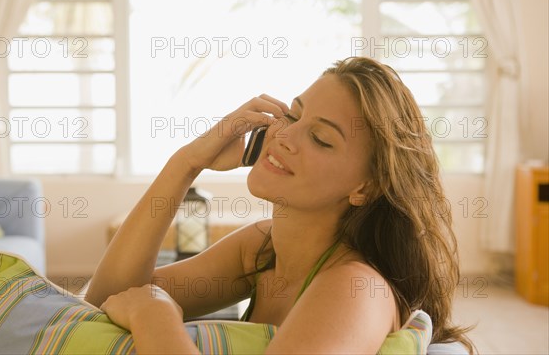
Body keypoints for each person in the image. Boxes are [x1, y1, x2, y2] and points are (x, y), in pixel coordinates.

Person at [85, 57, 474, 354]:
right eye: (292, 115)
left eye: (321, 138)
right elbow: (107, 299)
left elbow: (140, 305)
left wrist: (156, 316)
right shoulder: (262, 247)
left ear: (365, 187)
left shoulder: (356, 289)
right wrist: (186, 163)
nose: (285, 136)